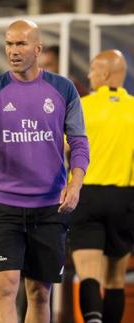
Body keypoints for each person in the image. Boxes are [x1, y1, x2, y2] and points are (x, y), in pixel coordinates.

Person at [0, 19, 90, 323]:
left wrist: (76, 183)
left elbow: (79, 141)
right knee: (5, 287)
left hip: (49, 207)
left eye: (21, 44)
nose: (13, 51)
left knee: (39, 293)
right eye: (9, 44)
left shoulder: (62, 89)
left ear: (38, 48)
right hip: (3, 206)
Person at [69, 49, 134, 323]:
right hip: (126, 197)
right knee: (116, 279)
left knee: (88, 273)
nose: (89, 74)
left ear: (106, 73)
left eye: (94, 69)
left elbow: (62, 148)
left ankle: (93, 319)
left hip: (88, 195)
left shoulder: (83, 108)